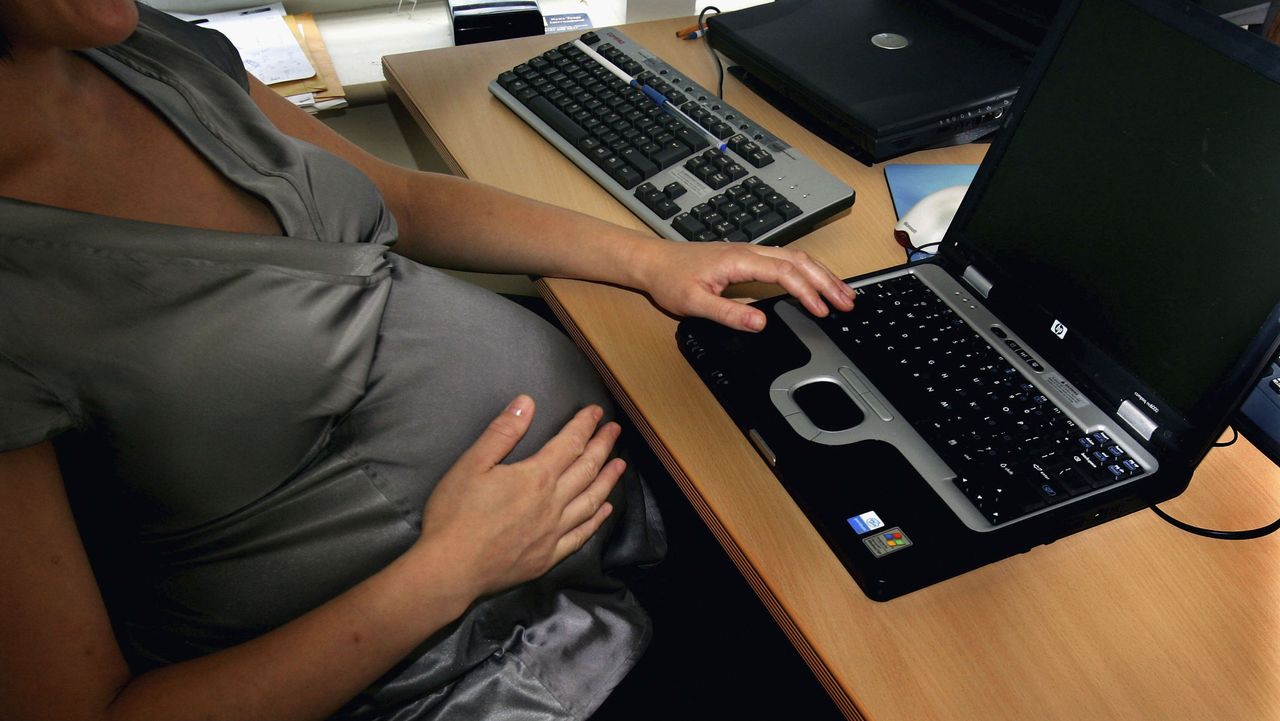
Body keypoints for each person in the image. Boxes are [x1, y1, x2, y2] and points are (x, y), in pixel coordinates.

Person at [0, 2, 855, 719]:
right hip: (460, 669)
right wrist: (449, 571)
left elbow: (393, 195)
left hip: (585, 538)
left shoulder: (139, 44)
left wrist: (648, 260)